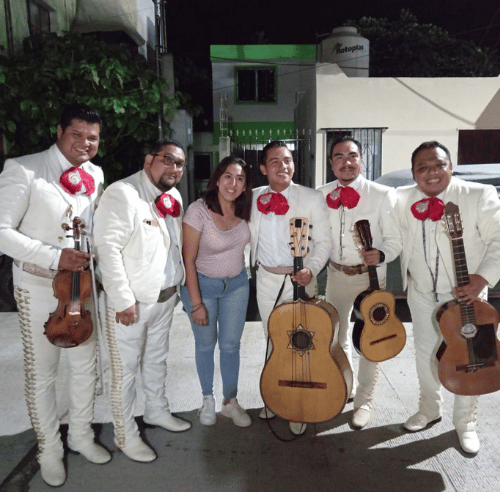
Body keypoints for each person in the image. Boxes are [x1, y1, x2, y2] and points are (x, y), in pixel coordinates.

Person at [0, 104, 111, 487]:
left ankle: (81, 436)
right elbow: (1, 231)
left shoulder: (95, 174)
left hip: (81, 287)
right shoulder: (23, 168)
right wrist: (53, 255)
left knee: (84, 366)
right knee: (42, 374)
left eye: (92, 137)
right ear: (59, 130)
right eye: (77, 134)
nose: (85, 143)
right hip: (37, 284)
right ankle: (50, 449)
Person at [394, 140, 500, 454]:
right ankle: (429, 408)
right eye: (422, 167)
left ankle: (465, 423)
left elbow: (498, 240)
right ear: (413, 174)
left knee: (472, 360)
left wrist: (483, 278)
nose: (432, 172)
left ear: (450, 166)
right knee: (426, 354)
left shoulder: (479, 196)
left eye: (439, 164)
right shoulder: (401, 199)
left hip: (469, 298)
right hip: (423, 294)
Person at [93, 139, 191, 463]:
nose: (174, 169)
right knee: (124, 371)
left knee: (156, 360)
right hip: (131, 304)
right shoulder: (122, 193)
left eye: (179, 164)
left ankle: (157, 411)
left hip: (165, 299)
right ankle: (125, 435)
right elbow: (107, 249)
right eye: (168, 161)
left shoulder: (172, 196)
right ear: (149, 159)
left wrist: (178, 289)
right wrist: (122, 300)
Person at [317, 137, 401, 430]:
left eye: (352, 155)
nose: (346, 161)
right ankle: (346, 386)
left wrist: (382, 253)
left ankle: (364, 400)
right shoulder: (321, 194)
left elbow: (395, 241)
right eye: (339, 156)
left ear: (361, 160)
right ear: (331, 163)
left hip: (371, 277)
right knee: (336, 336)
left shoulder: (382, 194)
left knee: (371, 340)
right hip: (337, 275)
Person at [249, 140, 332, 435]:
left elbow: (323, 242)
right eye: (274, 161)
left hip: (300, 279)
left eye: (287, 160)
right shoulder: (253, 197)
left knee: (303, 343)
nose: (282, 166)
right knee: (272, 340)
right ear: (263, 168)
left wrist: (312, 269)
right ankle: (276, 396)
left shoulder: (311, 197)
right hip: (267, 279)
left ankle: (300, 403)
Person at [180, 156, 253, 428]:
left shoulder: (247, 209)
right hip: (203, 287)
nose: (233, 184)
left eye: (240, 178)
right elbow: (188, 260)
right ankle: (207, 398)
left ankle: (229, 401)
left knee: (231, 346)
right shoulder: (198, 211)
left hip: (237, 285)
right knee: (206, 344)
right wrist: (196, 303)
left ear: (246, 186)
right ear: (217, 179)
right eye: (228, 177)